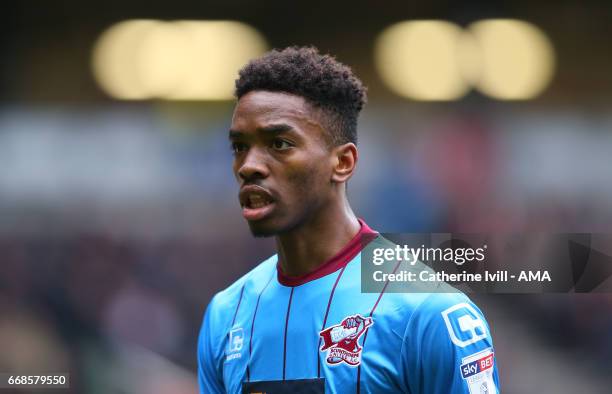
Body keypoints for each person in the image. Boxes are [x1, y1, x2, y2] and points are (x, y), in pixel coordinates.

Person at [197, 46, 499, 393]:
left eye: (279, 143)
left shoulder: (431, 313)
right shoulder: (225, 317)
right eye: (239, 147)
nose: (249, 165)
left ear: (343, 163)